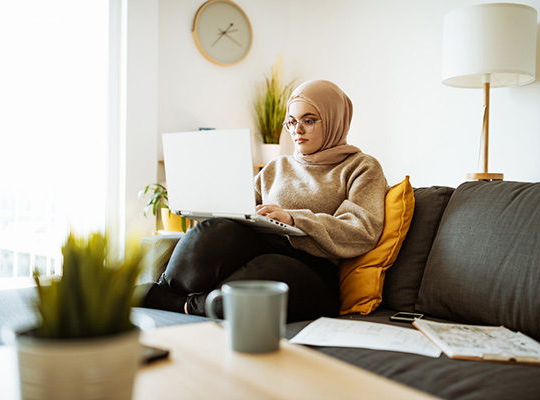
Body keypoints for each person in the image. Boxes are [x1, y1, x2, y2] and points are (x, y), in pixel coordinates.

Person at [140, 79, 388, 322]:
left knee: (271, 270)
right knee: (218, 230)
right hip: (261, 246)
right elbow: (242, 206)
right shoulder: (277, 166)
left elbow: (362, 230)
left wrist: (293, 218)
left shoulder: (361, 167)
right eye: (291, 122)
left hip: (313, 269)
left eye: (309, 121)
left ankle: (181, 304)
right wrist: (213, 206)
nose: (297, 131)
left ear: (336, 120)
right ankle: (165, 289)